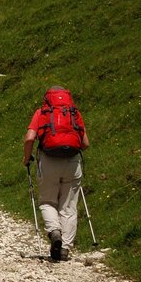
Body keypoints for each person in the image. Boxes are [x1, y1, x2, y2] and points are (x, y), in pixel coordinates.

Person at [23, 86, 90, 262]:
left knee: (47, 201)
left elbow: (29, 138)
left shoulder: (42, 112)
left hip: (49, 161)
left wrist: (26, 158)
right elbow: (85, 143)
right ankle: (65, 249)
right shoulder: (74, 113)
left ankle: (54, 232)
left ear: (47, 99)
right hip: (72, 162)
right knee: (68, 206)